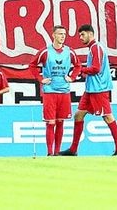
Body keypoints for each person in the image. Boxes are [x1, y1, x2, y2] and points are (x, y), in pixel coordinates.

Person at [61, 23, 117, 156]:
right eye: (80, 35)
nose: (81, 38)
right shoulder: (92, 48)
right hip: (91, 89)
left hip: (99, 89)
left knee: (108, 117)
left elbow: (96, 68)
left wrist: (80, 70)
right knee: (78, 115)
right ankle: (73, 149)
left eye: (82, 35)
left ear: (90, 33)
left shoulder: (96, 48)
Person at [33, 25, 78, 157]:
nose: (62, 36)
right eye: (60, 34)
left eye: (64, 34)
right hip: (50, 91)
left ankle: (57, 152)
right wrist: (40, 79)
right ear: (53, 35)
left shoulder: (69, 52)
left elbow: (78, 65)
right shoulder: (45, 52)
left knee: (60, 122)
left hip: (64, 91)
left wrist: (72, 77)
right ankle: (49, 152)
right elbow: (32, 65)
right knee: (50, 122)